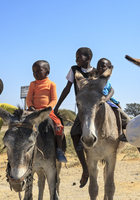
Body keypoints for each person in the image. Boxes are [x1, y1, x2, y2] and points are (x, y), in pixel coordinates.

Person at [54, 47, 95, 188]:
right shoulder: (74, 69)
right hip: (82, 111)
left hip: (95, 109)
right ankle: (85, 169)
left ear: (88, 57)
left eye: (79, 57)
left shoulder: (96, 72)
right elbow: (67, 88)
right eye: (76, 57)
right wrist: (57, 106)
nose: (76, 60)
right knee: (73, 133)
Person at [26, 60, 67, 163]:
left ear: (47, 72)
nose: (35, 74)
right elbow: (28, 98)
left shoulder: (51, 84)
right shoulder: (33, 84)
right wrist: (31, 107)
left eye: (38, 71)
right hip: (33, 110)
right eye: (33, 71)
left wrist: (48, 109)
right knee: (20, 125)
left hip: (47, 111)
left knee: (58, 125)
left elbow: (54, 99)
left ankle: (59, 150)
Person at [96, 58, 128, 142]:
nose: (100, 68)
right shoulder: (94, 79)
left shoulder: (108, 82)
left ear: (109, 69)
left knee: (117, 110)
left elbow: (109, 93)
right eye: (98, 66)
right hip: (96, 100)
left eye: (103, 67)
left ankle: (120, 133)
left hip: (106, 100)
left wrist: (116, 102)